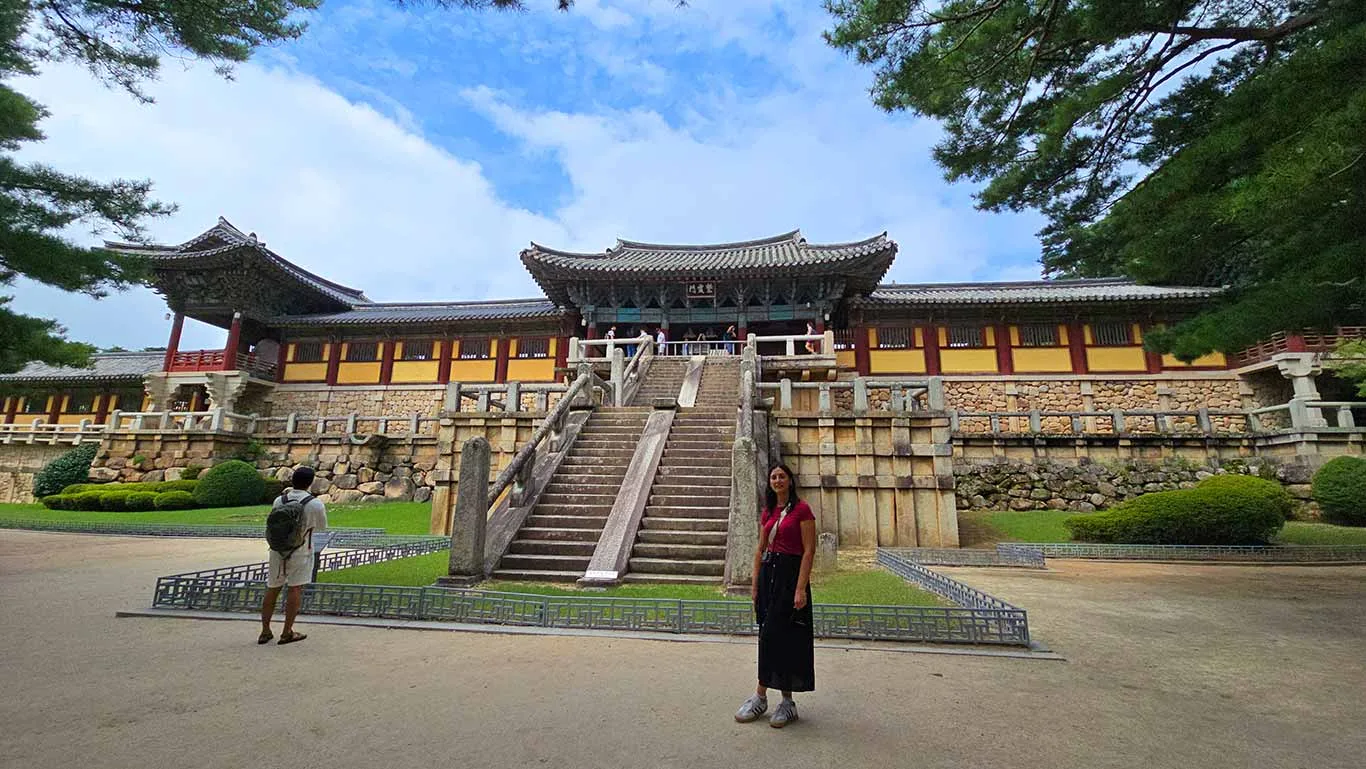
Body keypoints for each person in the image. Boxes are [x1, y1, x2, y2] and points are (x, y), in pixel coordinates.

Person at [735, 463, 816, 728]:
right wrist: (755, 584)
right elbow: (759, 550)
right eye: (773, 477)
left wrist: (800, 587)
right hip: (769, 575)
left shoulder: (802, 510)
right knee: (770, 635)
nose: (777, 480)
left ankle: (764, 697)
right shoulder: (768, 511)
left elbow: (808, 551)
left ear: (790, 481)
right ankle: (783, 701)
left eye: (782, 476)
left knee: (780, 636)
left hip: (790, 576)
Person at [259, 465, 328, 646]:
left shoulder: (279, 501)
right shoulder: (314, 504)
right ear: (310, 482)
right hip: (301, 551)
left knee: (272, 589)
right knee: (295, 589)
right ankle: (287, 631)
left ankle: (265, 631)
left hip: (277, 550)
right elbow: (321, 527)